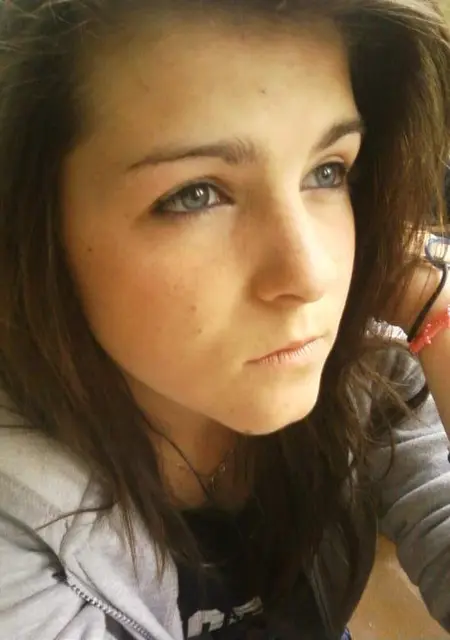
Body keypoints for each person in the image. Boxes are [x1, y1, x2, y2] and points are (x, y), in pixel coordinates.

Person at [0, 0, 450, 638]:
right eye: (195, 194)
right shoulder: (18, 516)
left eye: (327, 172)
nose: (311, 275)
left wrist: (438, 308)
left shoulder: (366, 380)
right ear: (35, 230)